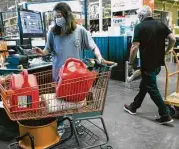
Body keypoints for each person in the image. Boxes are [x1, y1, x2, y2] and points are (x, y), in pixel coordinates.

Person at [34, 2, 116, 135]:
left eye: (59, 16)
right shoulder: (53, 32)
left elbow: (93, 46)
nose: (57, 19)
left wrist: (100, 58)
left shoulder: (80, 30)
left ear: (67, 15)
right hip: (58, 74)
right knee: (59, 102)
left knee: (75, 99)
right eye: (55, 16)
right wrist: (41, 52)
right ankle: (60, 124)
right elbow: (48, 49)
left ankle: (75, 121)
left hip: (76, 76)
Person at [124, 6, 176, 124]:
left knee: (152, 89)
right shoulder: (161, 24)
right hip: (158, 64)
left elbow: (134, 47)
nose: (139, 18)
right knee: (145, 85)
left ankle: (165, 114)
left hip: (148, 64)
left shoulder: (139, 27)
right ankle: (133, 107)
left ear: (142, 16)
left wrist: (131, 63)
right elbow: (172, 39)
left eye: (139, 16)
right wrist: (167, 51)